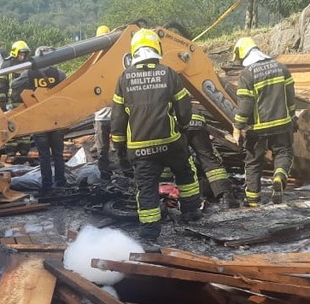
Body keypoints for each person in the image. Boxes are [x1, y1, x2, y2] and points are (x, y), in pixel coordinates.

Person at [111, 28, 202, 241]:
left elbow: (117, 119)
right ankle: (191, 212)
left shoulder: (124, 78)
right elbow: (184, 109)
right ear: (156, 48)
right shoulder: (169, 73)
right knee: (185, 173)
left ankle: (150, 233)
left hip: (140, 148)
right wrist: (183, 127)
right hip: (170, 142)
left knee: (146, 188)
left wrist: (119, 146)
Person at [232, 36, 297, 207]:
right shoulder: (281, 68)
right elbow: (291, 97)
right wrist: (293, 117)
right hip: (282, 123)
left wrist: (238, 127)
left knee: (253, 162)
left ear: (242, 54)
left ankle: (253, 201)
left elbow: (245, 104)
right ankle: (279, 177)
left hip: (257, 128)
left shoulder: (247, 74)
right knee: (284, 152)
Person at [13, 46, 67, 195]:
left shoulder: (29, 73)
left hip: (39, 120)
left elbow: (14, 85)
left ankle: (47, 185)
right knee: (58, 154)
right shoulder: (58, 73)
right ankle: (61, 183)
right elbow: (68, 88)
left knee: (44, 156)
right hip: (55, 119)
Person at [90, 25, 124, 180]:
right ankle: (106, 175)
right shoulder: (95, 64)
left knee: (118, 146)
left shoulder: (116, 62)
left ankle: (123, 172)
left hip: (114, 114)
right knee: (103, 148)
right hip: (105, 115)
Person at [182, 111, 235, 207]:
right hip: (198, 121)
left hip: (179, 122)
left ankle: (189, 200)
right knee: (208, 159)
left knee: (180, 161)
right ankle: (225, 196)